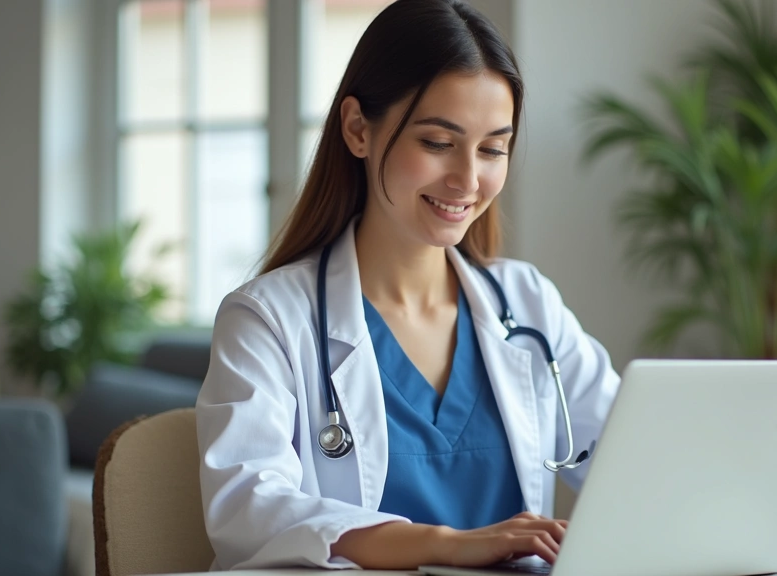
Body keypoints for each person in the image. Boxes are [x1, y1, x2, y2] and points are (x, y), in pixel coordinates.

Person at [195, 0, 620, 570]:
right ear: (357, 129)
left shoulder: (527, 302)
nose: (468, 179)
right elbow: (249, 508)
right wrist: (447, 546)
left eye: (493, 148)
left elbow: (635, 457)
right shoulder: (268, 320)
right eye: (438, 143)